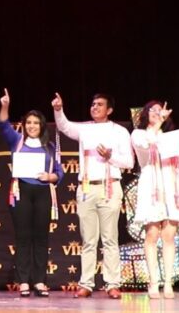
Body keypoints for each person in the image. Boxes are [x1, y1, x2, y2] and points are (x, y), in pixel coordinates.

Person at [52, 92, 132, 299]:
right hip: (87, 188)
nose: (94, 107)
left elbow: (129, 162)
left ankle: (112, 284)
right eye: (93, 104)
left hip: (110, 187)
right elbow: (64, 126)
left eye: (100, 104)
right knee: (88, 240)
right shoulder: (85, 129)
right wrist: (58, 109)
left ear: (109, 110)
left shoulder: (120, 132)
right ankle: (86, 283)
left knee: (110, 239)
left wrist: (110, 156)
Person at [0, 88, 63, 297]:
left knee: (41, 238)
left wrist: (50, 177)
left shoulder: (50, 147)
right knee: (23, 237)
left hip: (43, 193)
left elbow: (59, 172)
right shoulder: (16, 141)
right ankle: (24, 281)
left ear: (42, 125)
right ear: (24, 125)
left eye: (36, 123)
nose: (32, 126)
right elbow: (3, 124)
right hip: (21, 192)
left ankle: (40, 281)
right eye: (28, 123)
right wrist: (5, 106)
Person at [130, 100, 179, 299]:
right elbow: (145, 145)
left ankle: (168, 282)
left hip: (171, 185)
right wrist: (158, 124)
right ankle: (153, 282)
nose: (157, 113)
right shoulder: (139, 134)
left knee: (169, 235)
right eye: (153, 110)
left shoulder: (170, 136)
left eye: (160, 110)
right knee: (152, 234)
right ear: (145, 114)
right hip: (151, 186)